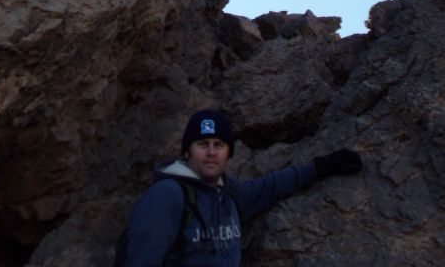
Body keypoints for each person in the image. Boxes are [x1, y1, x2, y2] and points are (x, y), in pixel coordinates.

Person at [117, 108, 363, 266]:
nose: (211, 153)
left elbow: (270, 187)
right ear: (186, 151)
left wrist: (321, 167)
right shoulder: (167, 196)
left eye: (219, 144)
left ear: (229, 152)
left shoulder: (230, 193)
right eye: (202, 144)